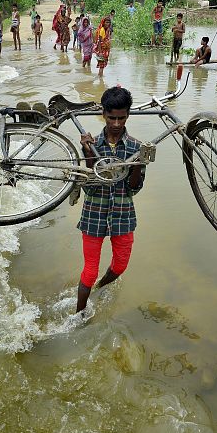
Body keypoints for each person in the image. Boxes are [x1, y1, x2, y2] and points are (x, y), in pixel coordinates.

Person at [75, 86, 145, 313]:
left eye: (121, 118)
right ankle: (79, 315)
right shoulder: (93, 143)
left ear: (128, 115)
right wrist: (87, 152)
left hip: (123, 215)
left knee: (121, 265)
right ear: (103, 114)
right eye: (111, 118)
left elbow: (134, 189)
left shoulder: (136, 147)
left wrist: (138, 165)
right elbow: (89, 184)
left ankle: (99, 289)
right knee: (90, 271)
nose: (116, 123)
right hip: (94, 213)